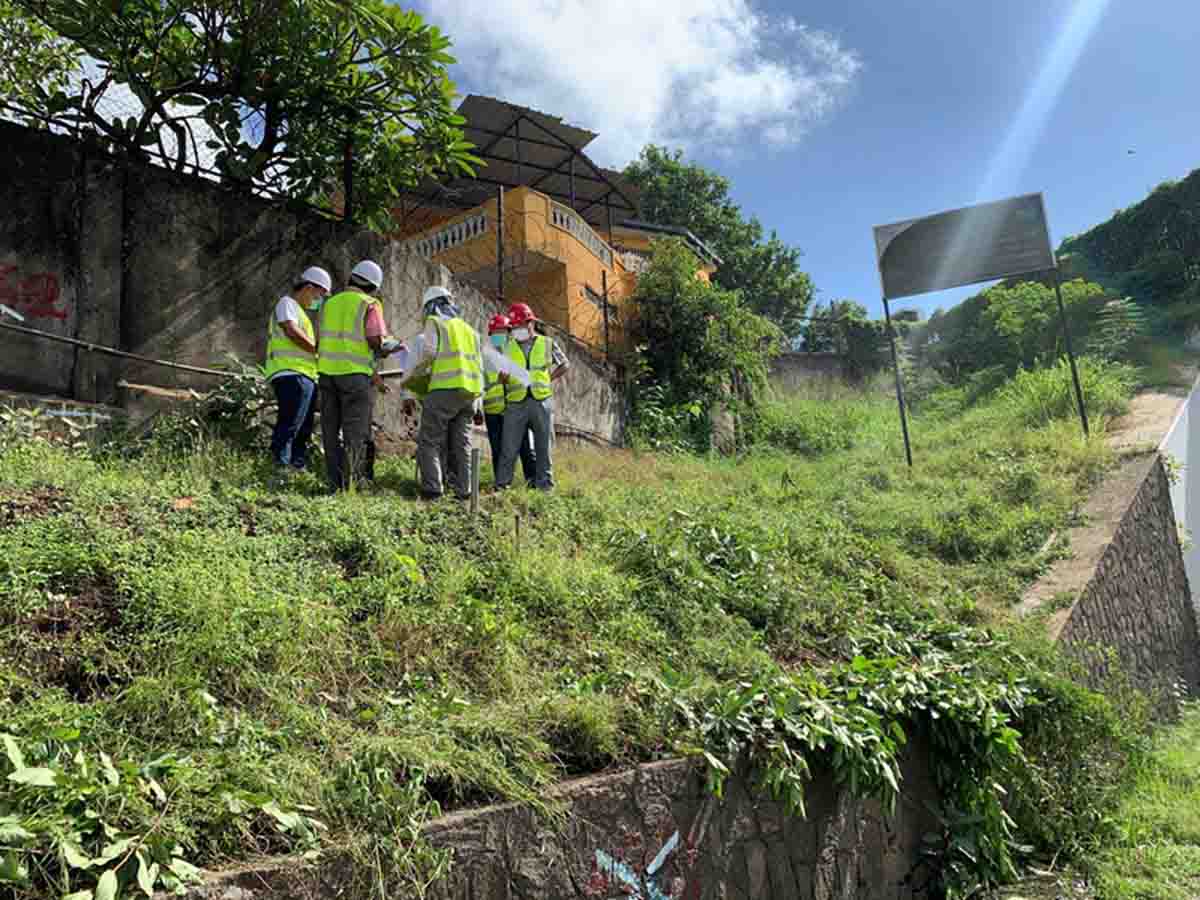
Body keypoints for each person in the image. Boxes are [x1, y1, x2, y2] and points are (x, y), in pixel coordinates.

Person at [316, 259, 397, 491]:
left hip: (327, 375)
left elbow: (322, 339)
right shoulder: (370, 303)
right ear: (373, 286)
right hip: (355, 378)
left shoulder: (329, 303)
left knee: (330, 431)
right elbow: (375, 341)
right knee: (356, 432)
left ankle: (334, 484)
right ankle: (354, 484)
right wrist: (389, 347)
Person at [399, 286, 483, 500]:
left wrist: (414, 376)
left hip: (443, 390)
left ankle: (433, 489)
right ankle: (464, 491)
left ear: (431, 306)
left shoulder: (435, 322)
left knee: (429, 441)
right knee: (462, 443)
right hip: (469, 395)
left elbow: (429, 352)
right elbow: (479, 367)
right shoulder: (469, 330)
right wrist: (479, 402)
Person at [263, 266, 331, 476]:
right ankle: (280, 466)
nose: (319, 300)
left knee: (304, 425)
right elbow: (290, 330)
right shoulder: (288, 303)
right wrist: (318, 347)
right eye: (320, 294)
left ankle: (297, 465)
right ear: (309, 287)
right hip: (290, 373)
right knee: (291, 422)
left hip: (305, 375)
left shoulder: (303, 315)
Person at [495, 302, 568, 491]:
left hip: (541, 401)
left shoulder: (547, 343)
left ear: (530, 323)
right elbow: (502, 375)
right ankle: (502, 486)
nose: (517, 330)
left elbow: (564, 364)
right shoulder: (507, 347)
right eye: (515, 327)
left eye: (520, 325)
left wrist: (549, 378)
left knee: (544, 448)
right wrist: (502, 378)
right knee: (508, 448)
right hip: (515, 403)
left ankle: (545, 487)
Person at [482, 313, 536, 486]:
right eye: (497, 331)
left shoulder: (514, 352)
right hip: (493, 411)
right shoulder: (485, 356)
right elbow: (479, 383)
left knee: (525, 448)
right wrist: (496, 382)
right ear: (491, 333)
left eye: (505, 331)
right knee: (498, 450)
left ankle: (533, 483)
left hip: (515, 408)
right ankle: (501, 485)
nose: (501, 335)